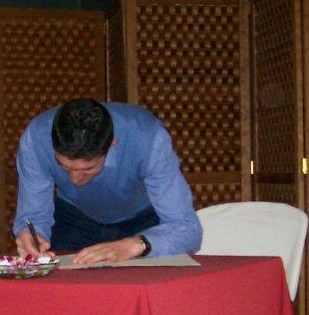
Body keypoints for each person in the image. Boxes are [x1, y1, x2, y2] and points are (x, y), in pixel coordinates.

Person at [13, 98, 201, 264]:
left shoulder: (148, 138)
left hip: (142, 222)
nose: (75, 180)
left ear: (112, 145)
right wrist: (31, 236)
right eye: (63, 166)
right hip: (73, 219)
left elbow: (187, 229)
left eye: (88, 168)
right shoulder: (37, 139)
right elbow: (33, 217)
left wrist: (139, 243)